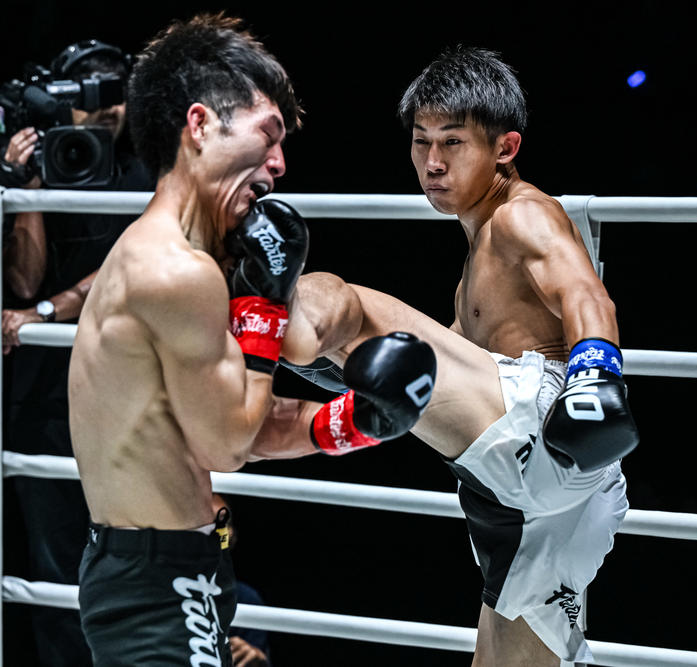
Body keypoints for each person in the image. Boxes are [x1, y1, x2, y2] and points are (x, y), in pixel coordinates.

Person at [68, 14, 437, 666]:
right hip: (158, 585)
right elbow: (226, 443)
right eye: (268, 133)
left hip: (174, 568)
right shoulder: (173, 271)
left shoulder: (179, 259)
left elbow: (228, 419)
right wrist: (264, 305)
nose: (279, 163)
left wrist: (351, 423)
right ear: (201, 125)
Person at [264, 46, 638, 665]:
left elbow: (584, 291)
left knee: (339, 301)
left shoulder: (523, 215)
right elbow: (450, 368)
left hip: (546, 431)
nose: (432, 163)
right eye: (421, 142)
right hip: (533, 498)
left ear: (505, 148)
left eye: (453, 142)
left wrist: (597, 372)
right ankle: (287, 336)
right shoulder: (477, 260)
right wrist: (341, 371)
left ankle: (252, 311)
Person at [0, 38, 155, 666]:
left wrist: (43, 313)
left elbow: (131, 266)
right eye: (88, 97)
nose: (104, 109)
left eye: (114, 95)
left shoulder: (151, 170)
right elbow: (21, 281)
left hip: (127, 392)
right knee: (55, 569)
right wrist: (28, 184)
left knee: (135, 551)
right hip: (46, 396)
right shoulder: (47, 164)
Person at [210, 494, 271, 667]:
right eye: (205, 523)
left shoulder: (245, 599)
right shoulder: (153, 589)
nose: (215, 530)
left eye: (222, 523)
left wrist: (256, 661)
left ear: (232, 535)